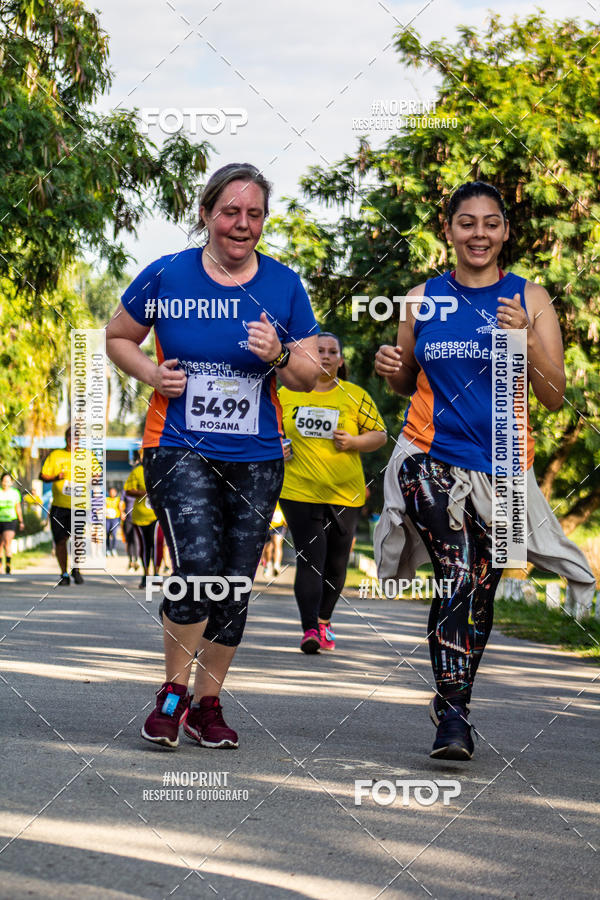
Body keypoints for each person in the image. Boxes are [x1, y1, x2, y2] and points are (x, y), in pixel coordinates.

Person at [374, 181, 596, 761]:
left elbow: (552, 396)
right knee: (457, 571)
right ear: (447, 230)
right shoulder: (420, 299)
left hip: (501, 467)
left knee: (482, 584)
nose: (479, 234)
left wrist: (523, 338)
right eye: (466, 223)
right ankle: (453, 717)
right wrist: (391, 367)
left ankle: (454, 697)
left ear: (504, 231)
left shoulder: (531, 297)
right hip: (426, 456)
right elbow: (404, 382)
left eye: (490, 223)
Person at [106, 162, 319, 749]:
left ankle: (208, 702)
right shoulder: (167, 274)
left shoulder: (283, 285)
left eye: (253, 214)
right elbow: (117, 336)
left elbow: (308, 375)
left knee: (233, 582)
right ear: (205, 214)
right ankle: (172, 692)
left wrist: (279, 353)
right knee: (197, 569)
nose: (242, 224)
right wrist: (151, 372)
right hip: (178, 446)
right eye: (230, 212)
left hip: (256, 455)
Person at [279, 332, 387, 652]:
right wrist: (275, 447)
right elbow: (265, 432)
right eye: (318, 350)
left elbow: (380, 435)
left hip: (345, 492)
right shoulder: (285, 395)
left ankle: (324, 620)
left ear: (340, 361)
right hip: (298, 489)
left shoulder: (354, 395)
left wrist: (354, 442)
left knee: (337, 562)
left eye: (331, 352)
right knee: (311, 558)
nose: (325, 356)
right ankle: (309, 629)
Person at [40, 427, 84, 586]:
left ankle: (76, 568)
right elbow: (42, 476)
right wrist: (56, 476)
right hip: (59, 506)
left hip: (79, 505)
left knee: (78, 538)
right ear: (66, 439)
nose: (73, 441)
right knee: (60, 540)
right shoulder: (55, 455)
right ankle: (64, 573)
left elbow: (97, 475)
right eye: (71, 438)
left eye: (76, 438)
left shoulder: (87, 456)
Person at [123, 455, 157, 589]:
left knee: (156, 545)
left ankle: (156, 574)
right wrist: (144, 492)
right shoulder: (137, 472)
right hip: (140, 516)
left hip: (157, 516)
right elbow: (128, 490)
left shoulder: (159, 469)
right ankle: (146, 575)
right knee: (144, 546)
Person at [0, 473, 25, 573]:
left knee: (7, 542)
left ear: (11, 482)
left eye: (8, 481)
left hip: (10, 520)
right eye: (4, 481)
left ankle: (8, 565)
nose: (6, 483)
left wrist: (21, 521)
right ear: (1, 481)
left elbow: (17, 508)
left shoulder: (15, 493)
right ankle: (0, 565)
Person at [261, 502, 287, 578]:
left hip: (279, 523)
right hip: (267, 523)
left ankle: (276, 565)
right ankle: (268, 565)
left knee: (277, 543)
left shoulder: (283, 492)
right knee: (267, 549)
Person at [105, 486, 121, 556]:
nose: (112, 493)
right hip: (107, 518)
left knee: (114, 534)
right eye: (111, 492)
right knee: (107, 534)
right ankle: (107, 549)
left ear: (115, 493)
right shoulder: (106, 499)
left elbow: (120, 507)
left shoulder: (118, 499)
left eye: (113, 492)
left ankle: (113, 548)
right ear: (109, 493)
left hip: (115, 518)